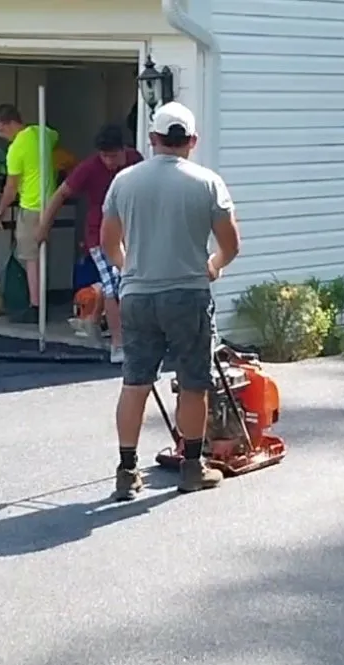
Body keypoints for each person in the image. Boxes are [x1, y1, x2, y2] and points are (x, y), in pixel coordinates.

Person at [99, 101, 241, 500]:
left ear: (152, 139)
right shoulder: (207, 182)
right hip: (187, 294)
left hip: (139, 296)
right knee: (194, 383)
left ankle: (127, 471)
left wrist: (131, 268)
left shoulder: (124, 182)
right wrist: (213, 265)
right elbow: (231, 244)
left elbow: (108, 242)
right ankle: (193, 467)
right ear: (192, 141)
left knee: (135, 383)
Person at [37, 124, 143, 363]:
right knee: (113, 286)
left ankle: (93, 320)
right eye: (104, 156)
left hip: (131, 231)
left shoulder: (136, 161)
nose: (109, 162)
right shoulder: (89, 168)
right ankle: (118, 344)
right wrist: (44, 226)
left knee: (128, 283)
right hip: (100, 234)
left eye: (113, 156)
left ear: (123, 150)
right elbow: (61, 194)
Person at [0, 103, 58, 323]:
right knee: (40, 255)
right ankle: (40, 302)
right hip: (50, 204)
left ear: (12, 123)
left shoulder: (16, 148)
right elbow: (56, 138)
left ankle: (36, 306)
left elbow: (10, 187)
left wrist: (0, 210)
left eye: (2, 130)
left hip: (31, 205)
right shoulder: (44, 133)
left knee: (30, 258)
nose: (2, 136)